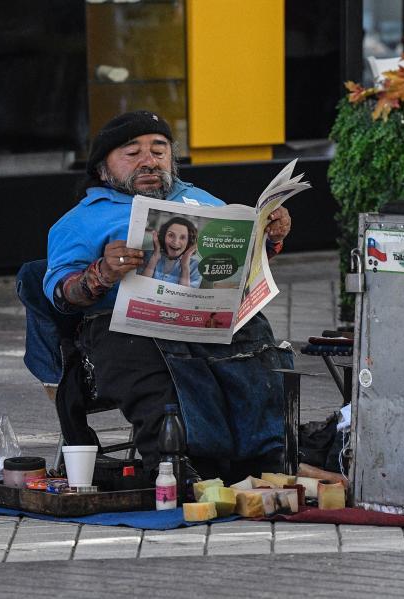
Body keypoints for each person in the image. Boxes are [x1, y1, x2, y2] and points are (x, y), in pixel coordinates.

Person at [42, 110, 293, 480]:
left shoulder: (201, 199)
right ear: (102, 168)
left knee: (257, 348)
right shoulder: (82, 220)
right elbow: (60, 294)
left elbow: (239, 262)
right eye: (132, 153)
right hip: (128, 331)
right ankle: (178, 467)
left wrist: (269, 237)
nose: (149, 161)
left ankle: (264, 462)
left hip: (210, 320)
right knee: (154, 374)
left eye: (159, 151)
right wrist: (101, 273)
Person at [139, 217, 200, 287]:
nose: (175, 242)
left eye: (182, 237)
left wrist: (185, 266)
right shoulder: (146, 255)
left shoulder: (195, 266)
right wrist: (155, 258)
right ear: (163, 236)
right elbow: (139, 286)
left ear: (189, 242)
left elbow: (186, 295)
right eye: (171, 235)